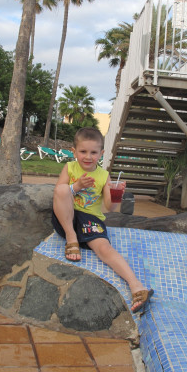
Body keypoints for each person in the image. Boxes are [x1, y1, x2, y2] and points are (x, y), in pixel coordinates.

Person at [52, 127, 153, 313]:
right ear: (74, 151)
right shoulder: (70, 167)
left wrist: (116, 195)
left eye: (93, 152)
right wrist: (77, 186)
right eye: (83, 151)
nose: (88, 157)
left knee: (105, 249)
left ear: (101, 153)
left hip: (90, 219)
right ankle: (71, 238)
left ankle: (136, 286)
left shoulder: (104, 176)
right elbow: (59, 193)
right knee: (63, 189)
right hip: (67, 216)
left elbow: (109, 207)